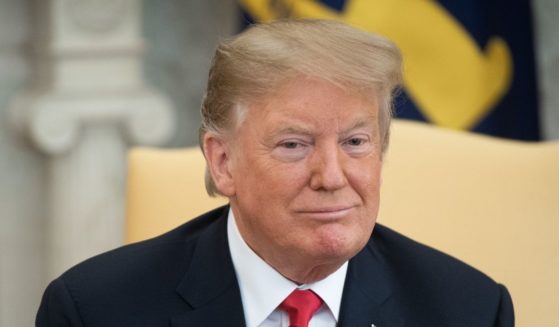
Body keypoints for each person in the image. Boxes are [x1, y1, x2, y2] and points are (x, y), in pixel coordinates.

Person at [36, 19, 514, 326]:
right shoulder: (95, 311)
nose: (331, 176)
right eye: (293, 145)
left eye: (355, 143)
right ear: (223, 163)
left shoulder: (467, 309)